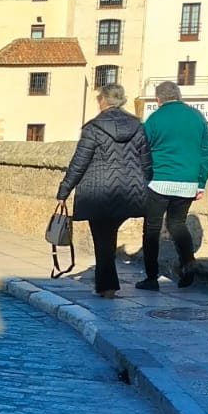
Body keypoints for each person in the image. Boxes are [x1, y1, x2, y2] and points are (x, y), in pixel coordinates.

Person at [56, 83, 151, 299]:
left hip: (99, 193)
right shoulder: (138, 127)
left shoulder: (93, 128)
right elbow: (146, 163)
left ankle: (107, 286)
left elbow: (79, 163)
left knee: (102, 238)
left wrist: (64, 191)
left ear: (102, 101)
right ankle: (105, 284)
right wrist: (147, 189)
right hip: (129, 192)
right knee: (109, 235)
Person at [136, 81, 208, 291]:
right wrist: (201, 183)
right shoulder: (197, 117)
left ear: (158, 99)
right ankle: (188, 262)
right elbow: (205, 152)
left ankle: (151, 278)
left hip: (158, 181)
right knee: (177, 224)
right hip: (188, 182)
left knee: (151, 229)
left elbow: (142, 149)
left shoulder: (155, 118)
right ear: (179, 96)